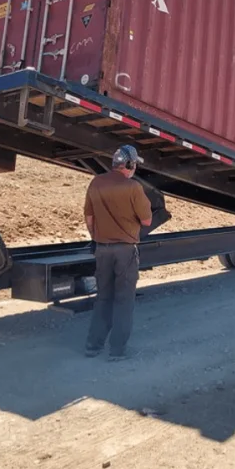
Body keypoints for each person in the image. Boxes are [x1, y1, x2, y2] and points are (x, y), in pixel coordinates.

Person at [83, 144, 153, 360]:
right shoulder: (133, 187)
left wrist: (98, 236)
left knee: (103, 297)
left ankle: (93, 346)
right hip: (125, 251)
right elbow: (147, 220)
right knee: (124, 300)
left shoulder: (96, 183)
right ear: (129, 164)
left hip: (102, 250)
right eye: (134, 165)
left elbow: (89, 218)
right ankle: (117, 350)